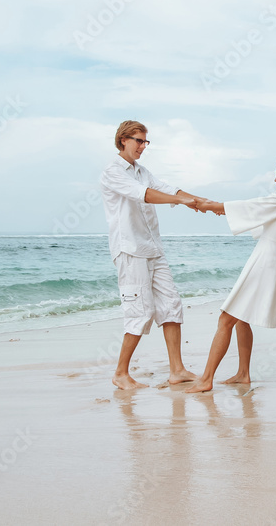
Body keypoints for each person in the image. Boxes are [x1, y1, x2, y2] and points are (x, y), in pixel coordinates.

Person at [185, 158, 276, 393]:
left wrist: (207, 205)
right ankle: (243, 374)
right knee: (241, 317)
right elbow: (252, 213)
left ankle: (206, 380)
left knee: (226, 318)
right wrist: (222, 209)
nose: (275, 180)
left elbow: (245, 207)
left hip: (264, 263)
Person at [100, 120, 211, 390]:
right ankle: (121, 374)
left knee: (171, 306)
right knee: (140, 312)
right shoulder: (112, 172)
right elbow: (146, 195)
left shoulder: (142, 170)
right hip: (131, 251)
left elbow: (168, 189)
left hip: (153, 250)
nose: (142, 147)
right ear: (123, 140)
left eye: (145, 142)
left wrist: (203, 202)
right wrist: (181, 201)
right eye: (138, 141)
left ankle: (177, 370)